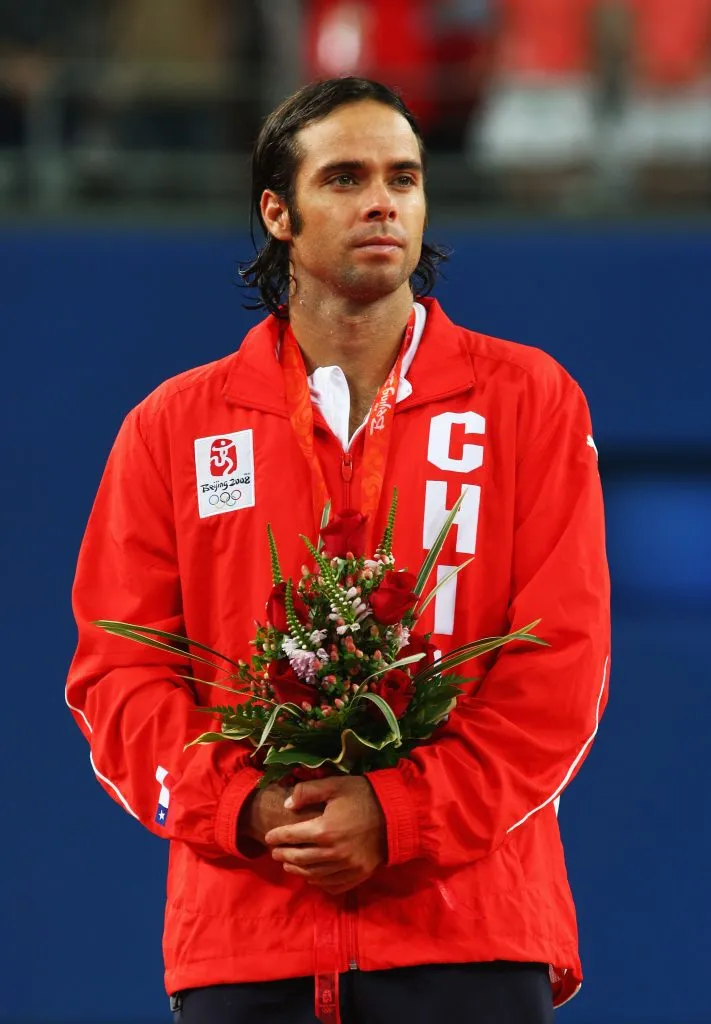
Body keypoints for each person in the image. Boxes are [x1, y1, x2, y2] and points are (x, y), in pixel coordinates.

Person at [66, 77, 610, 1024]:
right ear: (278, 211)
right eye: (345, 178)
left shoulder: (527, 401)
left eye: (403, 177)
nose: (381, 203)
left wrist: (399, 815)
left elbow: (557, 674)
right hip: (246, 941)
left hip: (468, 935)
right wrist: (246, 807)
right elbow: (118, 678)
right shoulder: (174, 428)